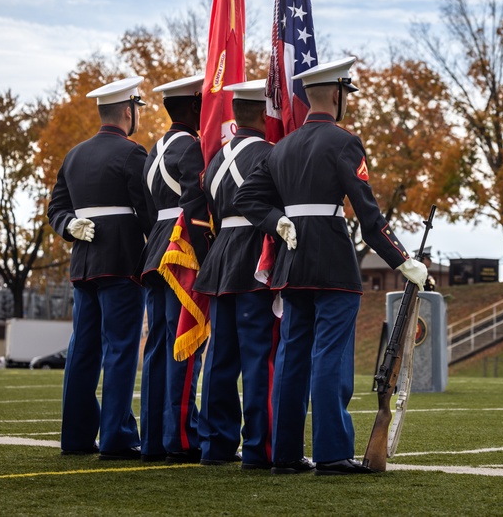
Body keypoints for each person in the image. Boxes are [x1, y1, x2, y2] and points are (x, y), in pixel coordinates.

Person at [234, 56, 428, 476]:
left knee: (291, 356)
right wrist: (403, 259)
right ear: (337, 95)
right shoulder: (344, 142)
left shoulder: (280, 146)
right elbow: (369, 217)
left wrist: (278, 221)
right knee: (329, 357)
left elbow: (245, 201)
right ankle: (331, 453)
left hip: (292, 260)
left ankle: (284, 454)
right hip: (332, 261)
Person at [47, 77, 153, 460]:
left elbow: (55, 208)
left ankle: (76, 437)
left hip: (84, 265)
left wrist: (68, 226)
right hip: (122, 263)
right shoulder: (132, 153)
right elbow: (148, 213)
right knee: (121, 350)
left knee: (83, 351)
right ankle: (117, 438)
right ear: (128, 111)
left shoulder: (74, 155)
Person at [193, 79, 278, 469]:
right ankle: (260, 447)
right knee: (259, 357)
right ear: (264, 113)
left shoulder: (215, 158)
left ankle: (216, 445)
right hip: (252, 257)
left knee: (221, 359)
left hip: (220, 256)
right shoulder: (270, 155)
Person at [138, 76, 213, 464]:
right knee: (184, 347)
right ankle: (182, 438)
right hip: (182, 251)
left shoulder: (154, 149)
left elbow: (149, 210)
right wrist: (208, 256)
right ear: (192, 107)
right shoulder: (193, 147)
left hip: (155, 251)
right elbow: (196, 207)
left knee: (157, 350)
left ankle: (153, 439)